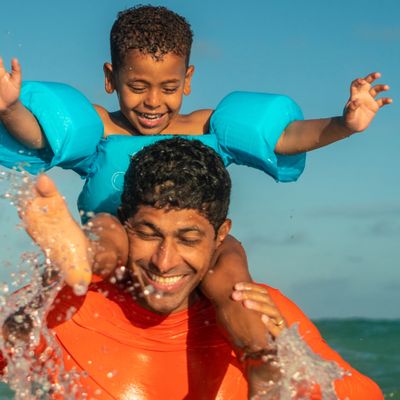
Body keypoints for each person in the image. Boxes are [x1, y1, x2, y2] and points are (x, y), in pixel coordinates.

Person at [0, 4, 392, 360]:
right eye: (137, 87)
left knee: (231, 263)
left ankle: (259, 354)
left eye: (169, 88)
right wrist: (11, 109)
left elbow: (284, 138)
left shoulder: (208, 127)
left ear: (187, 80)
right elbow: (40, 137)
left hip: (198, 244)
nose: (153, 101)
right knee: (107, 230)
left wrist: (344, 126)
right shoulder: (101, 129)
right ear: (110, 78)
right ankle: (77, 257)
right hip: (127, 237)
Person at [4, 138, 383, 399]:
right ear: (124, 222)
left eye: (188, 239)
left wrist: (288, 354)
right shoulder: (73, 304)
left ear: (221, 236)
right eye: (148, 234)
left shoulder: (257, 311)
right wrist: (44, 292)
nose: (165, 260)